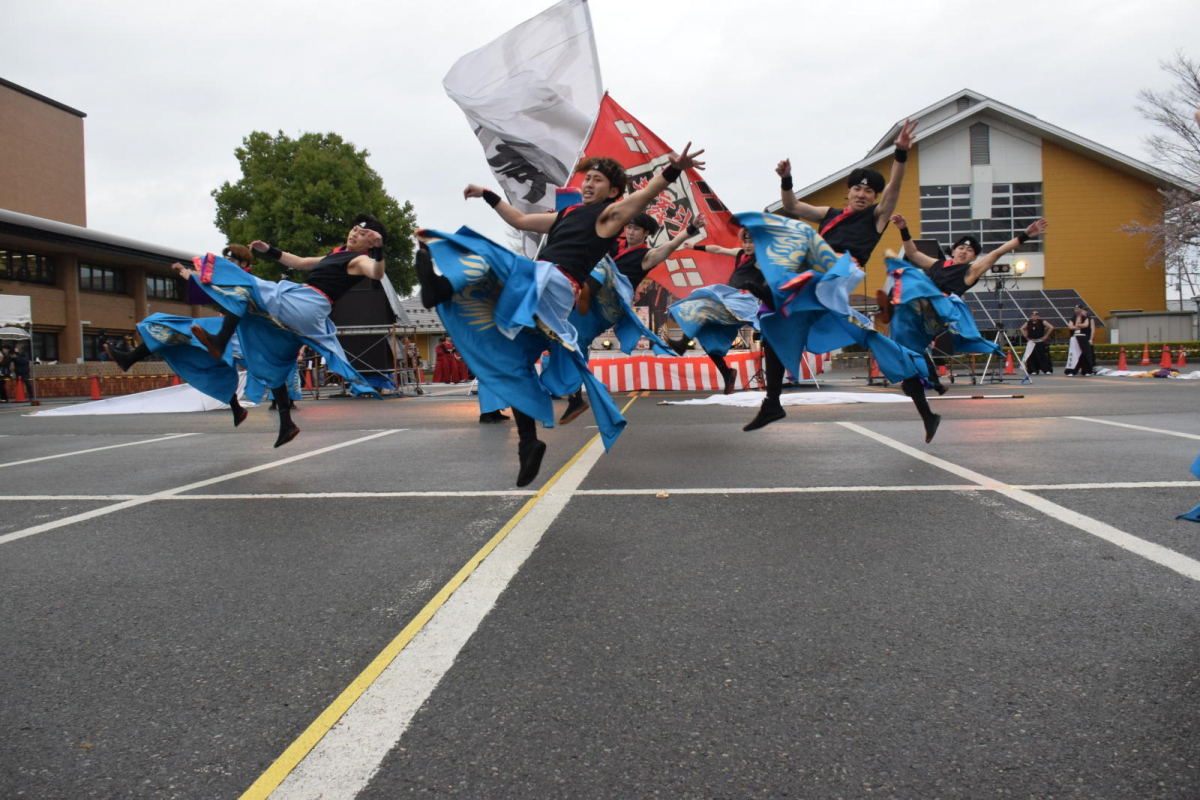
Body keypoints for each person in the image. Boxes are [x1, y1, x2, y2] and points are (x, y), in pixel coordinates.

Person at [417, 145, 707, 486]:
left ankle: (445, 287)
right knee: (514, 362)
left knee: (505, 268)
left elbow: (643, 197)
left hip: (554, 283)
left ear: (613, 191)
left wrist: (673, 170)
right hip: (542, 288)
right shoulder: (567, 215)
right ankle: (529, 443)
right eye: (587, 179)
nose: (587, 185)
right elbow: (520, 220)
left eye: (597, 181)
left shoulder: (608, 217)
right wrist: (488, 194)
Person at [555, 212, 705, 423]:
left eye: (636, 229)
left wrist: (690, 229)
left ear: (647, 233)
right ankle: (575, 397)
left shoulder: (647, 256)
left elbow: (669, 247)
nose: (630, 232)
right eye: (629, 227)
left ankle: (584, 291)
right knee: (572, 341)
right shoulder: (613, 245)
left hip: (612, 304)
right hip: (588, 307)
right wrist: (559, 221)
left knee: (603, 264)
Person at [776, 119, 919, 271]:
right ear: (849, 192)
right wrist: (786, 179)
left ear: (875, 196)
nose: (861, 195)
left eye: (868, 191)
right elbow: (792, 206)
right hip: (817, 267)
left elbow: (895, 187)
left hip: (846, 270)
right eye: (857, 189)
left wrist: (901, 153)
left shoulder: (877, 216)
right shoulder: (828, 213)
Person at [669, 226, 764, 395]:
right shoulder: (740, 253)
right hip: (730, 300)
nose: (748, 245)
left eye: (753, 242)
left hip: (744, 302)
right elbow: (718, 249)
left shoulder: (761, 259)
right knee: (706, 334)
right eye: (746, 241)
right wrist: (694, 247)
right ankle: (727, 373)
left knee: (701, 306)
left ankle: (682, 344)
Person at [1065, 305, 1095, 376]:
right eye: (1075, 309)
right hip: (1075, 338)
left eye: (1078, 309)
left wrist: (1077, 325)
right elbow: (1070, 327)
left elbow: (1086, 325)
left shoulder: (1086, 317)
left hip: (1083, 337)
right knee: (1073, 354)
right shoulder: (1073, 318)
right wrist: (1078, 326)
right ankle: (1071, 371)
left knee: (1085, 354)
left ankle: (1087, 371)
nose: (1076, 310)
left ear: (1081, 310)